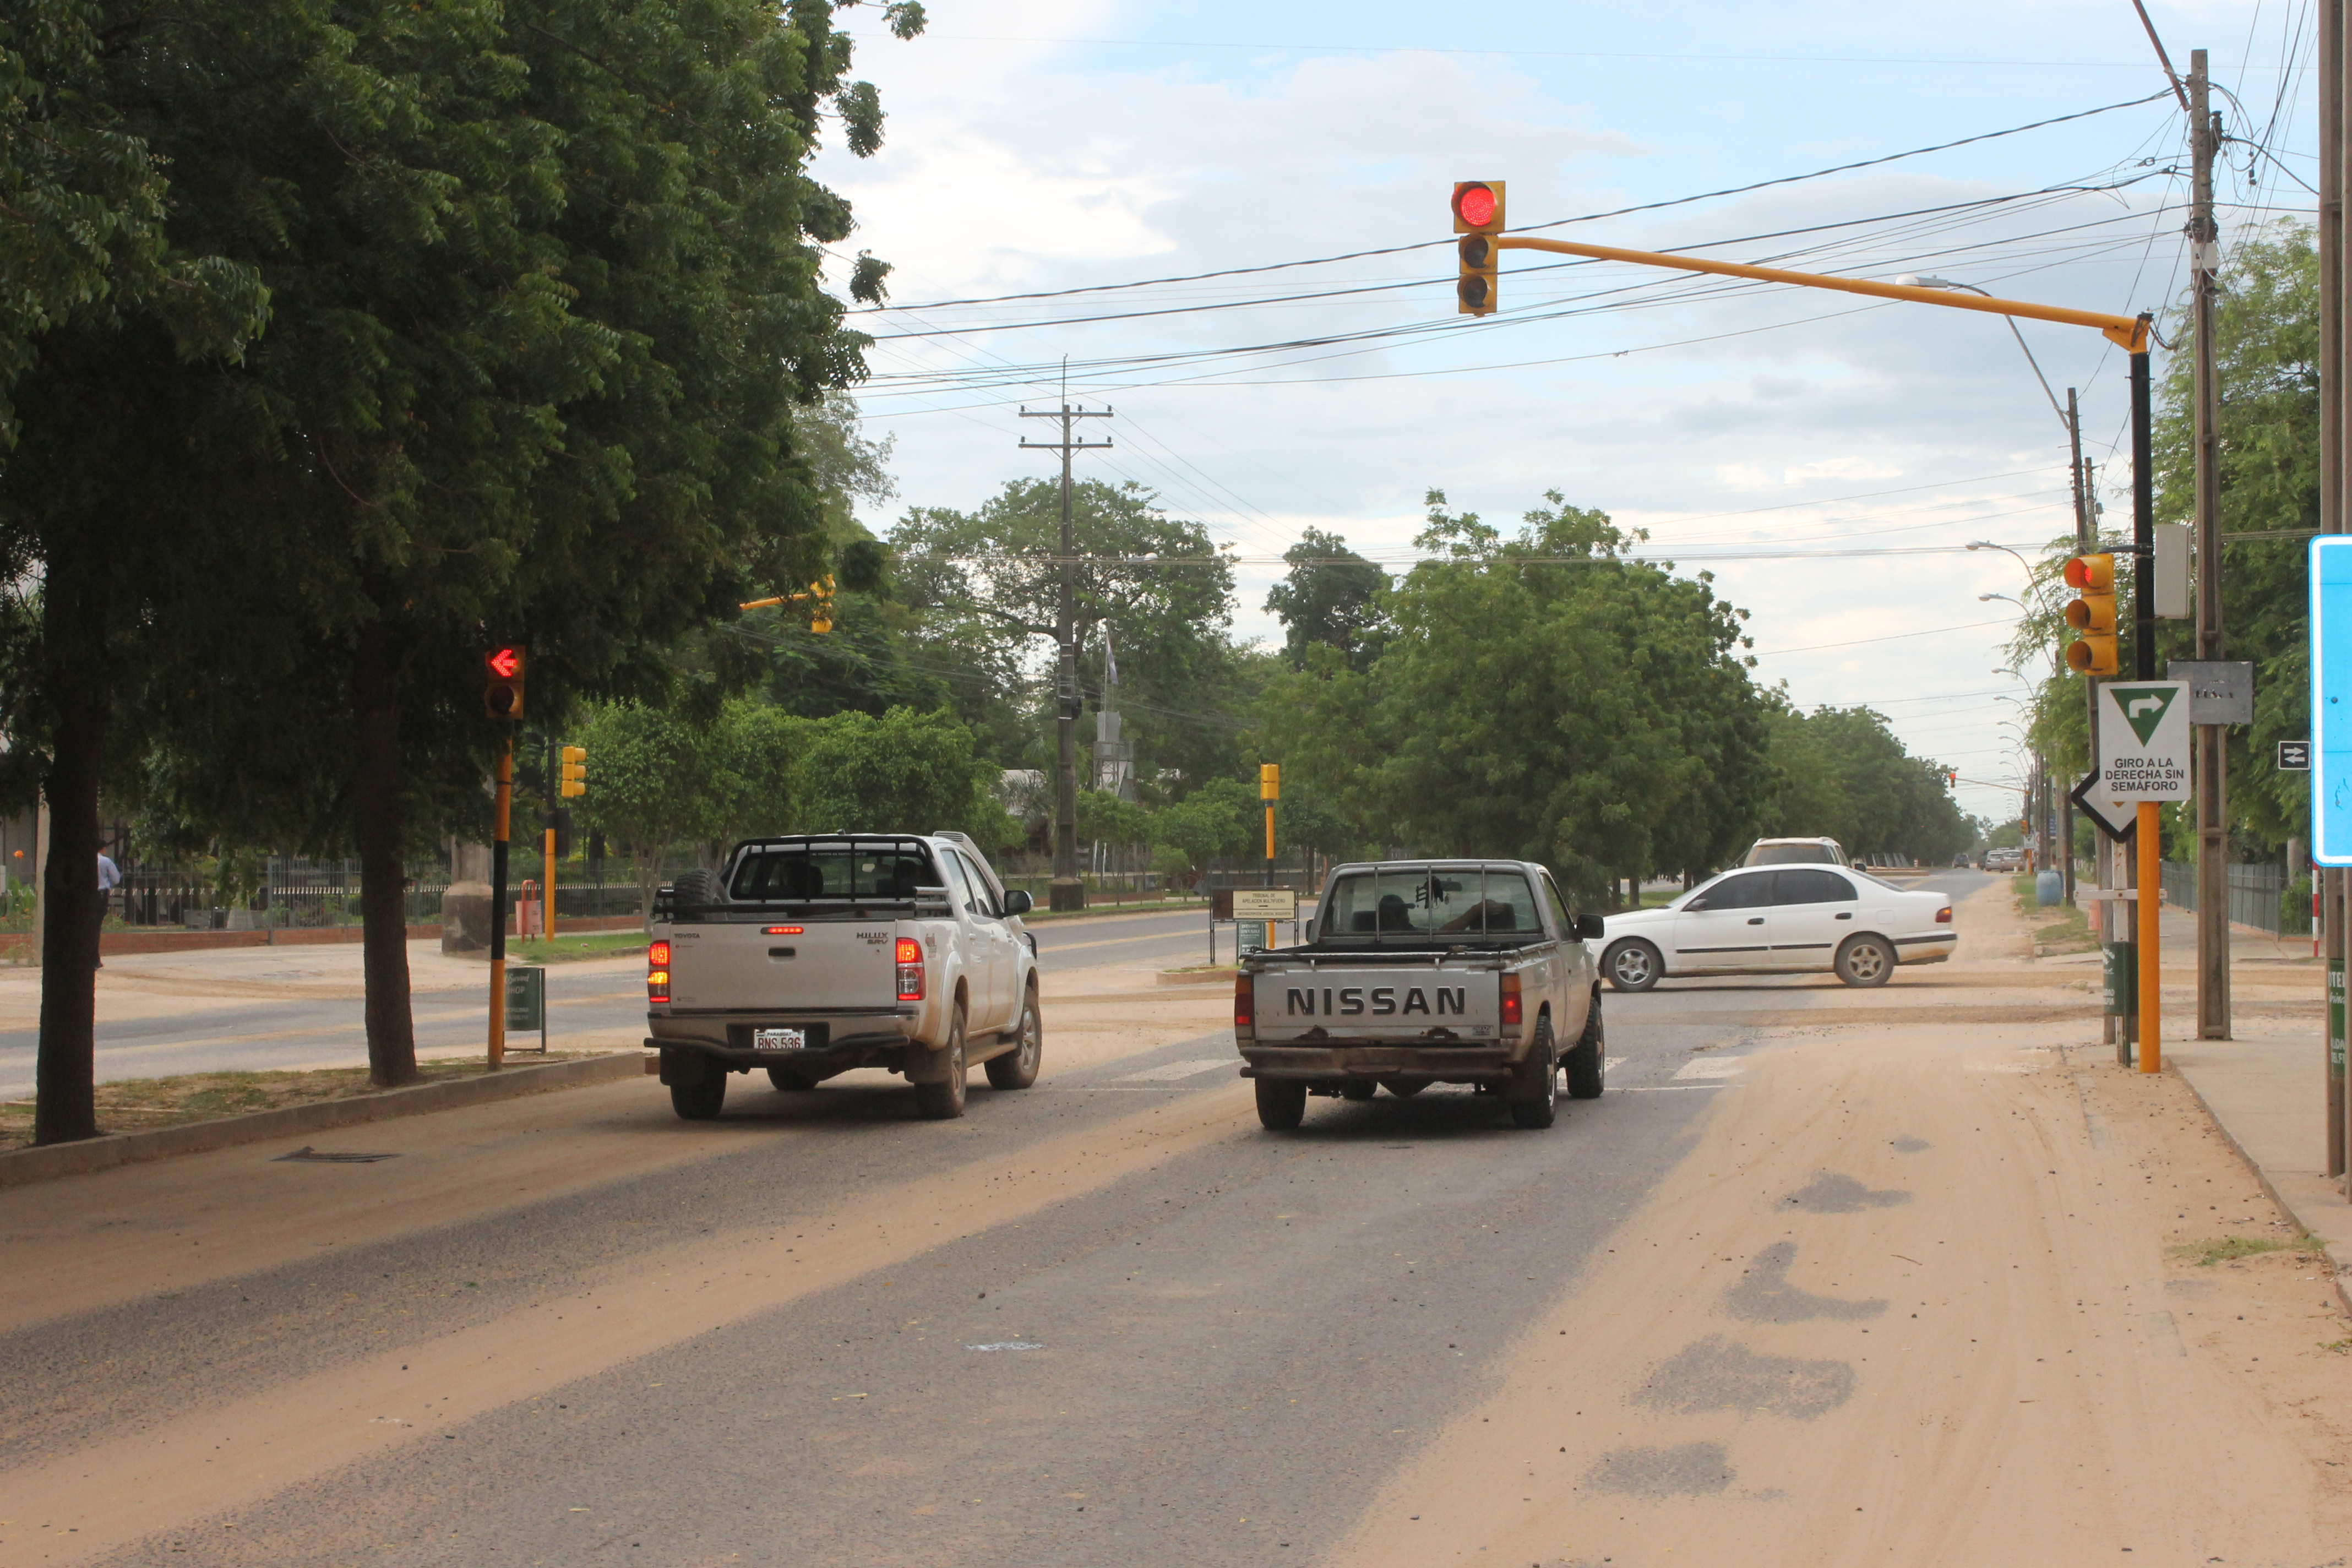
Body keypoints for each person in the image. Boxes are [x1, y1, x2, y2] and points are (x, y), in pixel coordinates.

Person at [96, 847, 121, 969]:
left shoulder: (84, 861)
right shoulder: (105, 861)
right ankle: (95, 958)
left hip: (86, 894)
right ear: (103, 849)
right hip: (101, 894)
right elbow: (116, 879)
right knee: (96, 926)